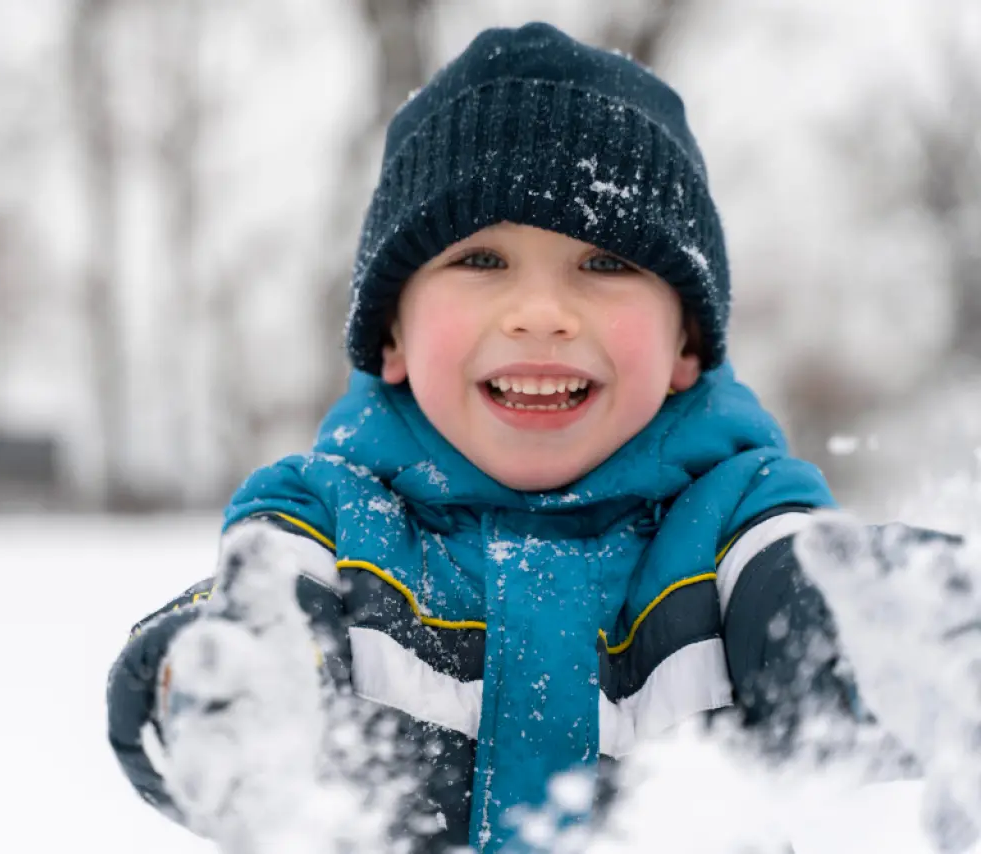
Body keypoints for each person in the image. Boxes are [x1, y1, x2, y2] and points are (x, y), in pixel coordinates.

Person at [106, 21, 872, 853]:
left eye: (604, 263)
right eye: (481, 261)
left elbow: (827, 625)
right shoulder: (327, 523)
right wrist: (222, 689)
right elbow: (246, 632)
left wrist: (910, 641)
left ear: (686, 342)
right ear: (392, 336)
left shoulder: (740, 522)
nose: (540, 313)